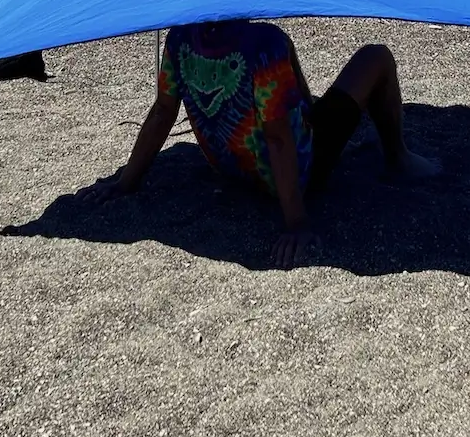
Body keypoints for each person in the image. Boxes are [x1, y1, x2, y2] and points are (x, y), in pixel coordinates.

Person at [76, 20, 438, 268]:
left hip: (230, 167)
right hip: (297, 174)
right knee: (376, 57)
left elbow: (162, 113)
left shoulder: (179, 39)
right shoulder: (264, 45)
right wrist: (295, 222)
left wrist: (126, 183)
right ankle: (398, 157)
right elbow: (279, 138)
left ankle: (313, 114)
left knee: (286, 69)